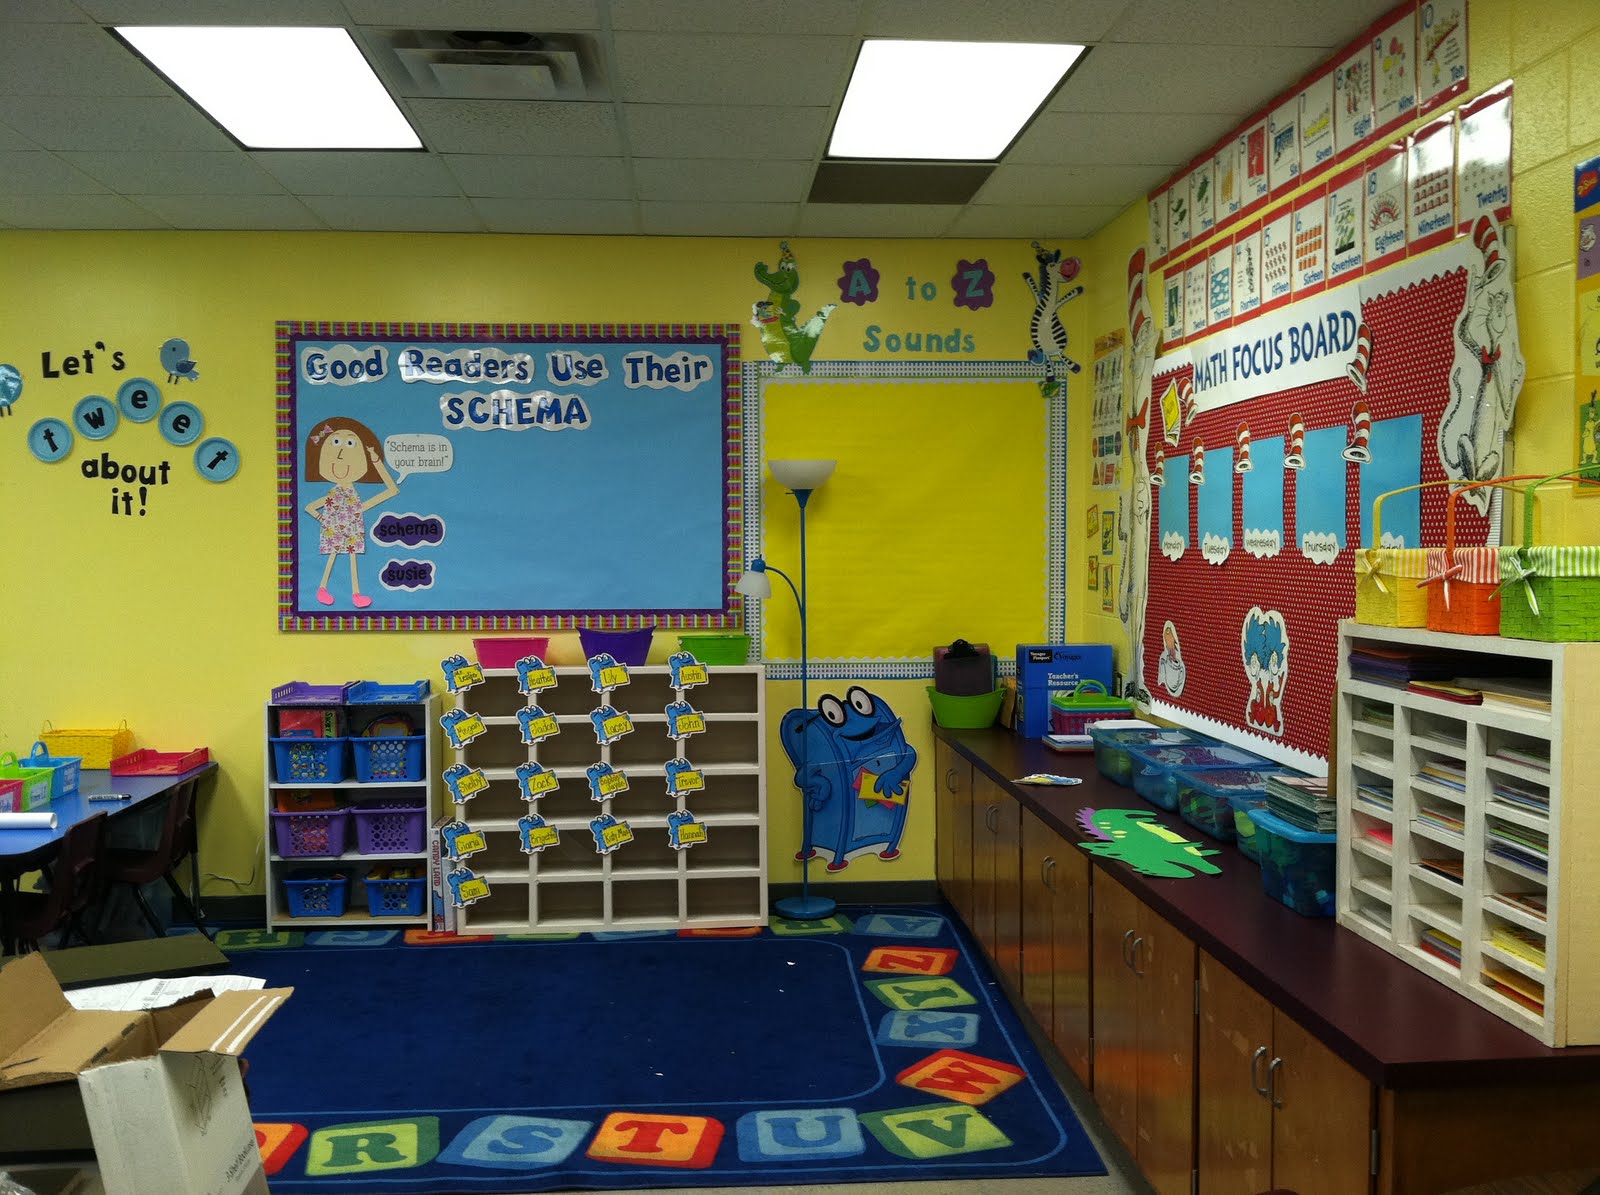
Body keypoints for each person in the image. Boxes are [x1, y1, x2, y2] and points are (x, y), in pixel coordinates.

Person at [304, 417, 399, 608]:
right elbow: (310, 507)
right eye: (335, 443)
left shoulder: (352, 496)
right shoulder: (333, 494)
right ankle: (322, 588)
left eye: (349, 444)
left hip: (352, 529)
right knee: (334, 556)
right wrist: (325, 520)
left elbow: (392, 490)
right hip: (335, 531)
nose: (340, 454)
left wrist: (376, 461)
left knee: (352, 558)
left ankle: (355, 594)